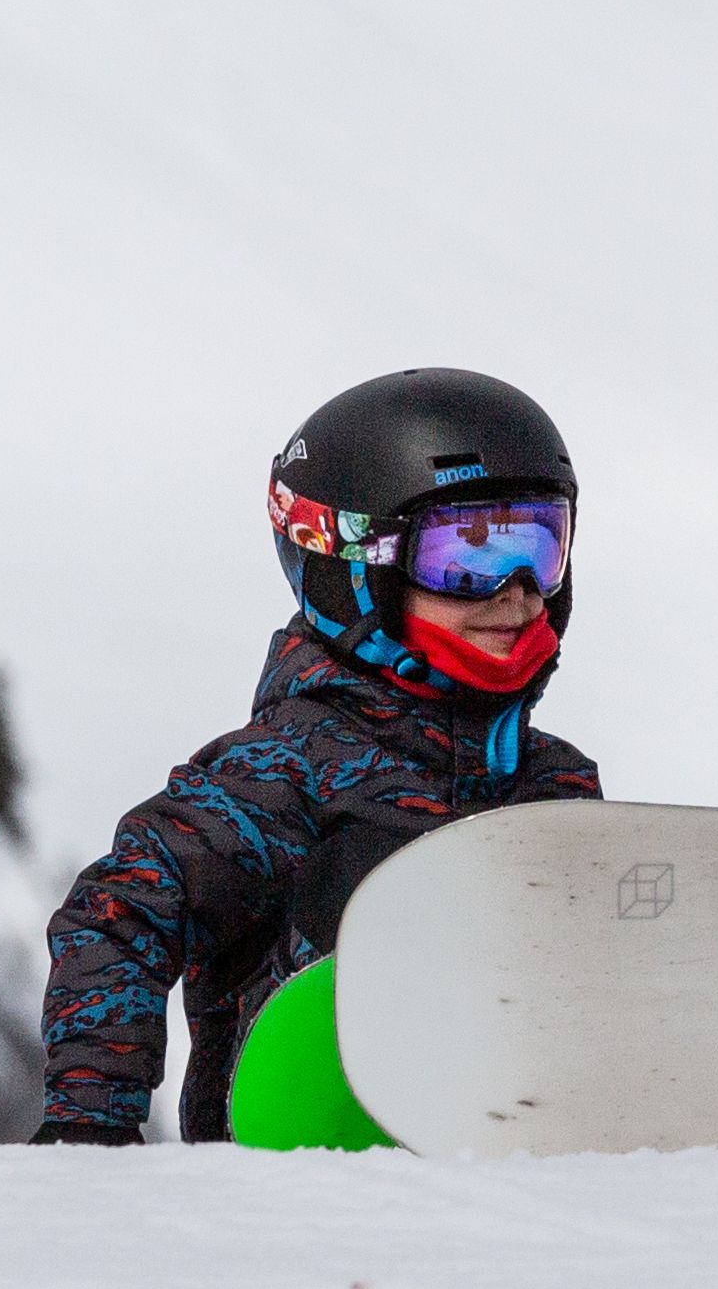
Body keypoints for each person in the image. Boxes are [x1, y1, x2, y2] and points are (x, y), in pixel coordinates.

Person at [33, 367, 605, 1142]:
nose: (515, 592)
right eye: (464, 556)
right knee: (367, 872)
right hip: (299, 1210)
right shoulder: (282, 774)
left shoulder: (557, 785)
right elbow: (118, 914)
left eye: (539, 547)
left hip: (509, 1201)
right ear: (356, 564)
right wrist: (92, 1128)